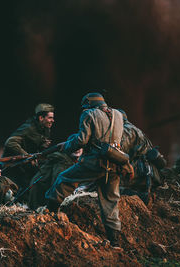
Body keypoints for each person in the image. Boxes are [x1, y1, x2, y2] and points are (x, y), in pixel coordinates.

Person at [45, 92, 125, 248]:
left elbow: (82, 139)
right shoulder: (118, 114)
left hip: (95, 162)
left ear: (88, 104)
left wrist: (67, 146)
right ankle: (115, 241)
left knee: (64, 179)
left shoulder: (88, 114)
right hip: (115, 163)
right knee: (111, 201)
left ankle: (50, 212)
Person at [2, 103, 55, 193]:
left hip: (27, 166)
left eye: (52, 118)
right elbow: (10, 143)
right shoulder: (29, 128)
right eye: (50, 118)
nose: (52, 120)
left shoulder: (45, 129)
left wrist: (42, 146)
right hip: (15, 167)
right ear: (41, 118)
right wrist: (27, 156)